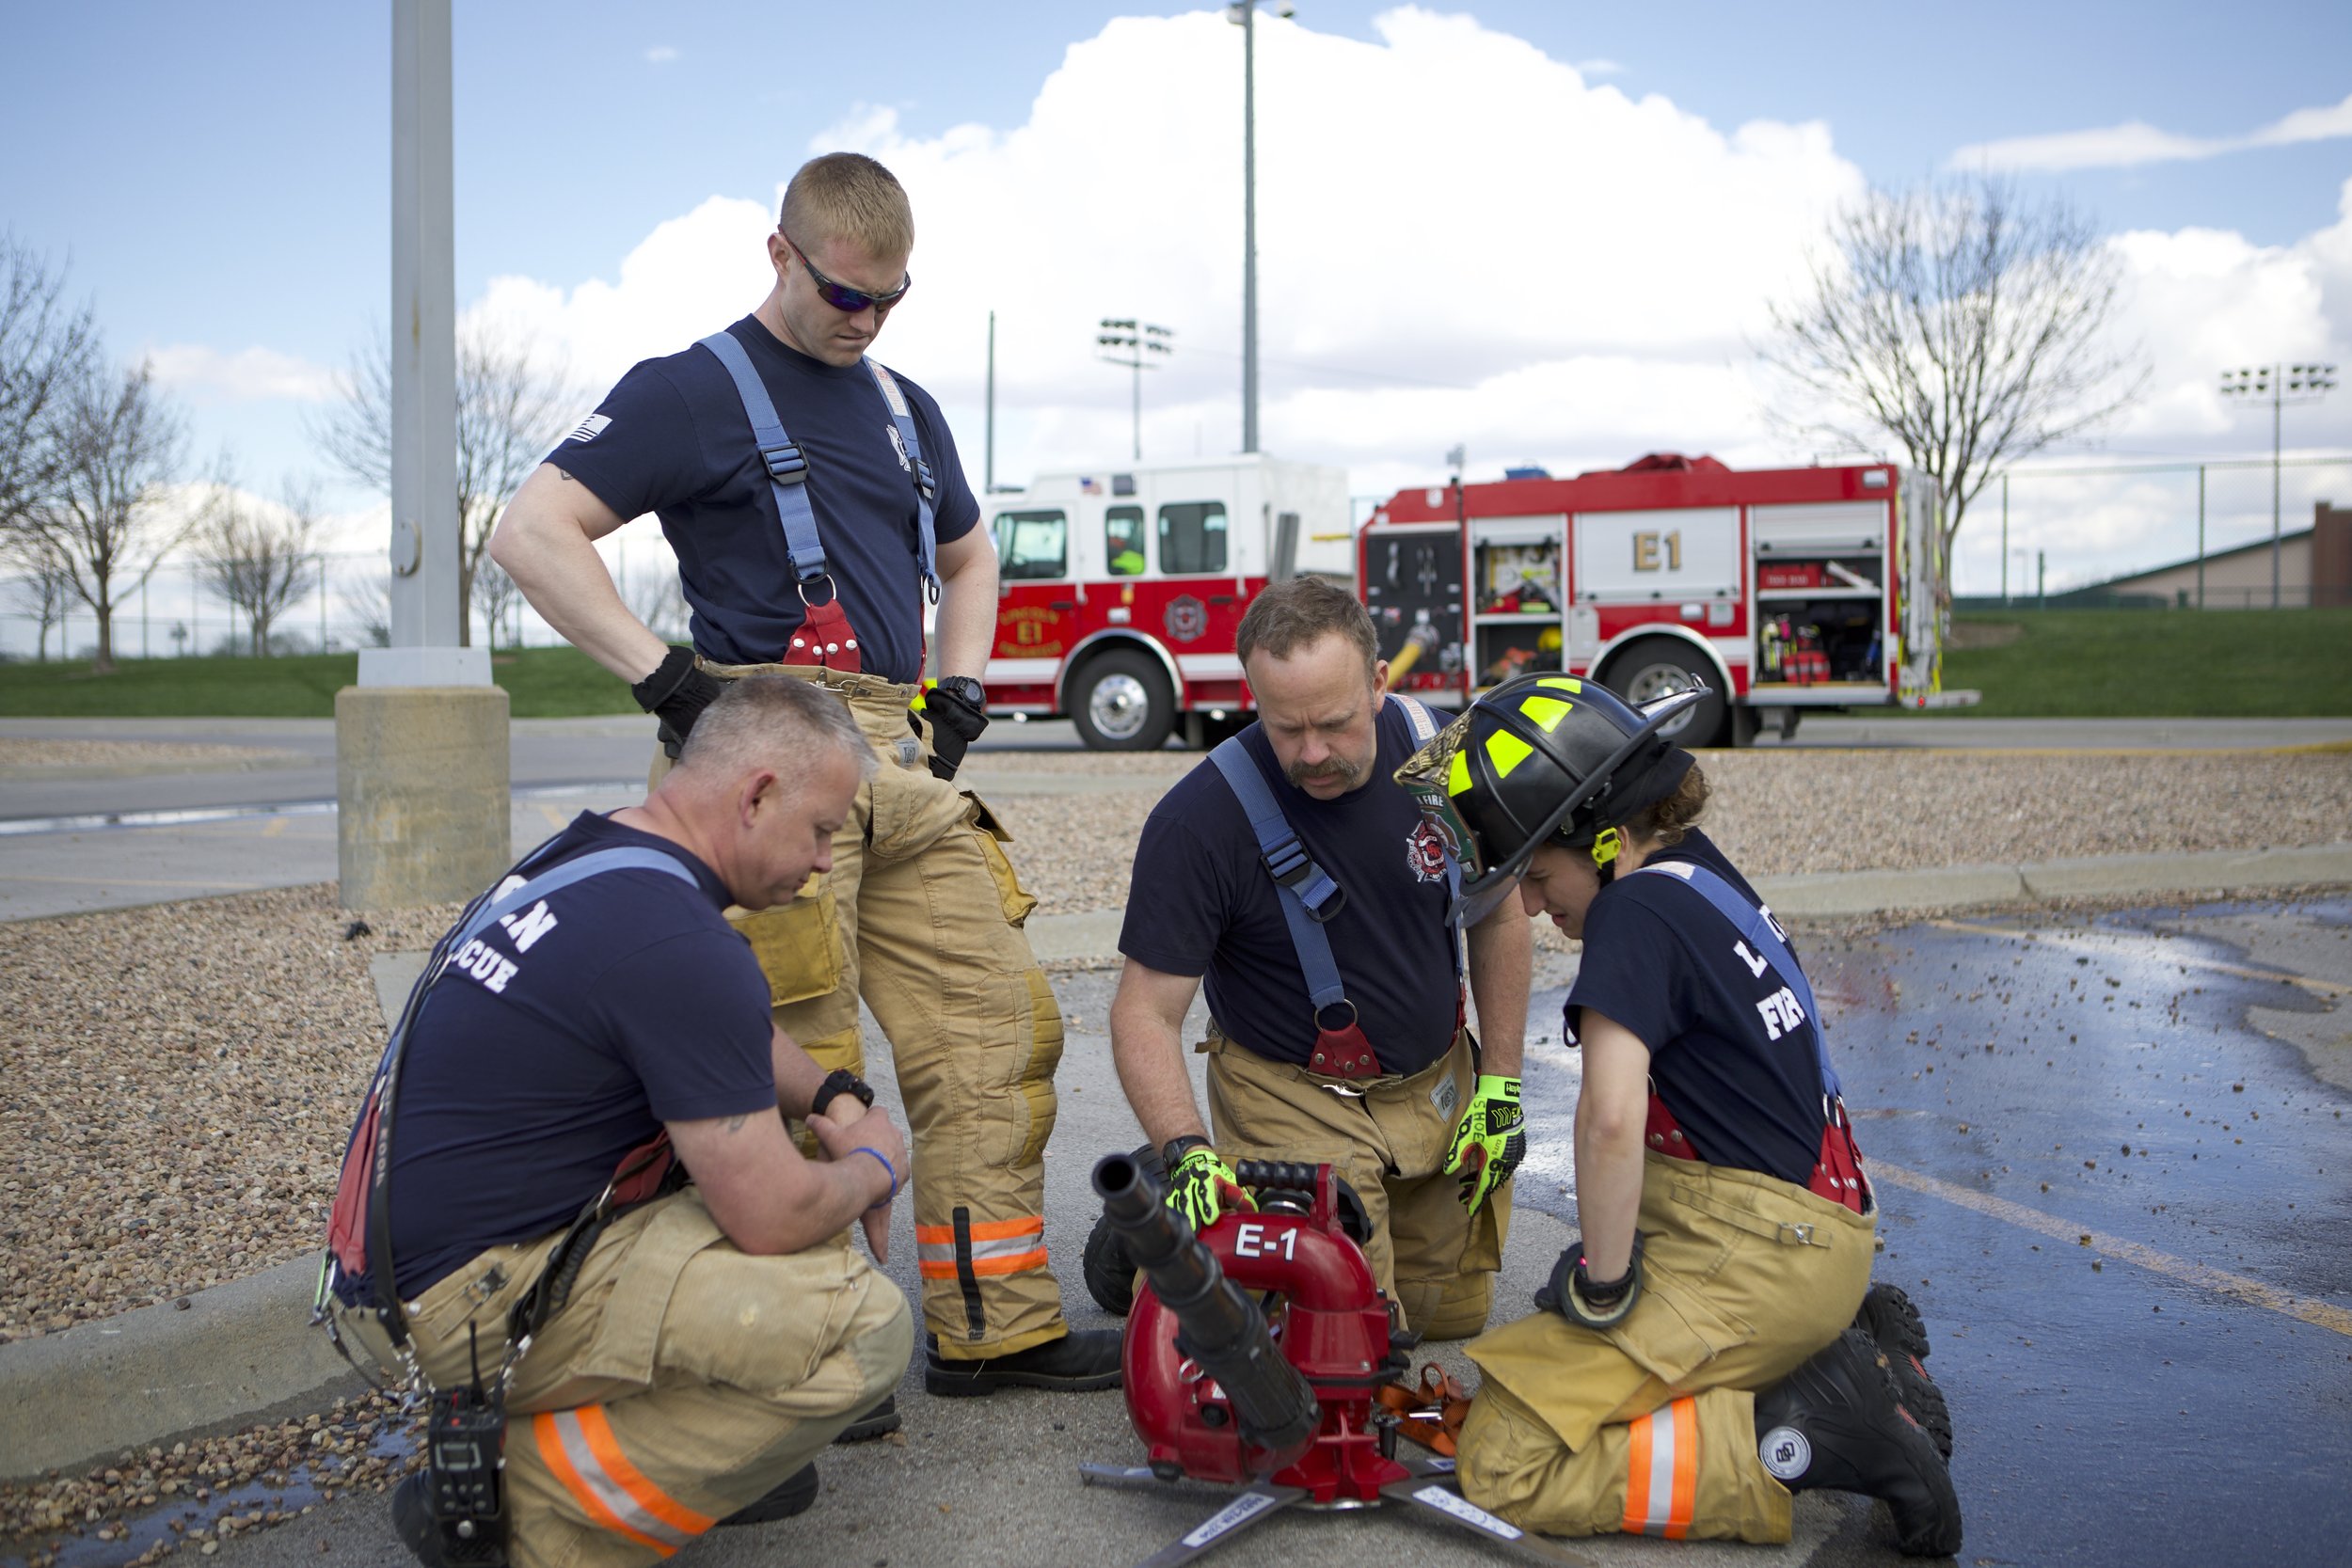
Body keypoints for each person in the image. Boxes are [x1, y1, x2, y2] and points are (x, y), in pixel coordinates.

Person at [487, 151, 1117, 1400]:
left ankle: (993, 1324)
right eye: (844, 294)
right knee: (786, 1050)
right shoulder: (688, 391)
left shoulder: (905, 407)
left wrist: (961, 686)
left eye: (890, 298)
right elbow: (531, 530)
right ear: (780, 254)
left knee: (994, 1024)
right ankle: (811, 1361)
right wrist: (669, 684)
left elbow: (971, 554)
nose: (866, 319)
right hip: (760, 749)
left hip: (897, 750)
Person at [322, 675, 913, 1568]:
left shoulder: (595, 857)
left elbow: (720, 1031)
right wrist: (876, 1163)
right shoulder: (680, 943)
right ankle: (518, 1505)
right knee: (859, 1328)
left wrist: (833, 1094)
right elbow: (770, 1211)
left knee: (790, 1234)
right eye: (822, 829)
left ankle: (585, 1435)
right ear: (757, 795)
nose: (827, 860)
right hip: (467, 1303)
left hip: (393, 1269)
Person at [1391, 673, 1962, 1556]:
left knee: (1503, 1454)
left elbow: (1611, 1118)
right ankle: (1834, 1350)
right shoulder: (1696, 870)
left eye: (1537, 874)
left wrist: (1606, 1283)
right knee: (1541, 1354)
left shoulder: (1633, 912)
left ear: (1602, 835)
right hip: (1808, 1232)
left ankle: (1806, 1431)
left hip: (1759, 1255)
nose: (1532, 905)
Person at [1105, 578, 1534, 1340]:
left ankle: (1160, 1222)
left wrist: (1500, 1081)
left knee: (1450, 1317)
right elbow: (1145, 1010)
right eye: (1286, 727)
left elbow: (1499, 916)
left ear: (1378, 682)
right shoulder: (1198, 821)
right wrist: (1187, 1147)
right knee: (1352, 1337)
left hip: (1433, 1089)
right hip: (1293, 1095)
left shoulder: (1446, 757)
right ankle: (1156, 1221)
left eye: (1334, 723)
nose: (1312, 753)